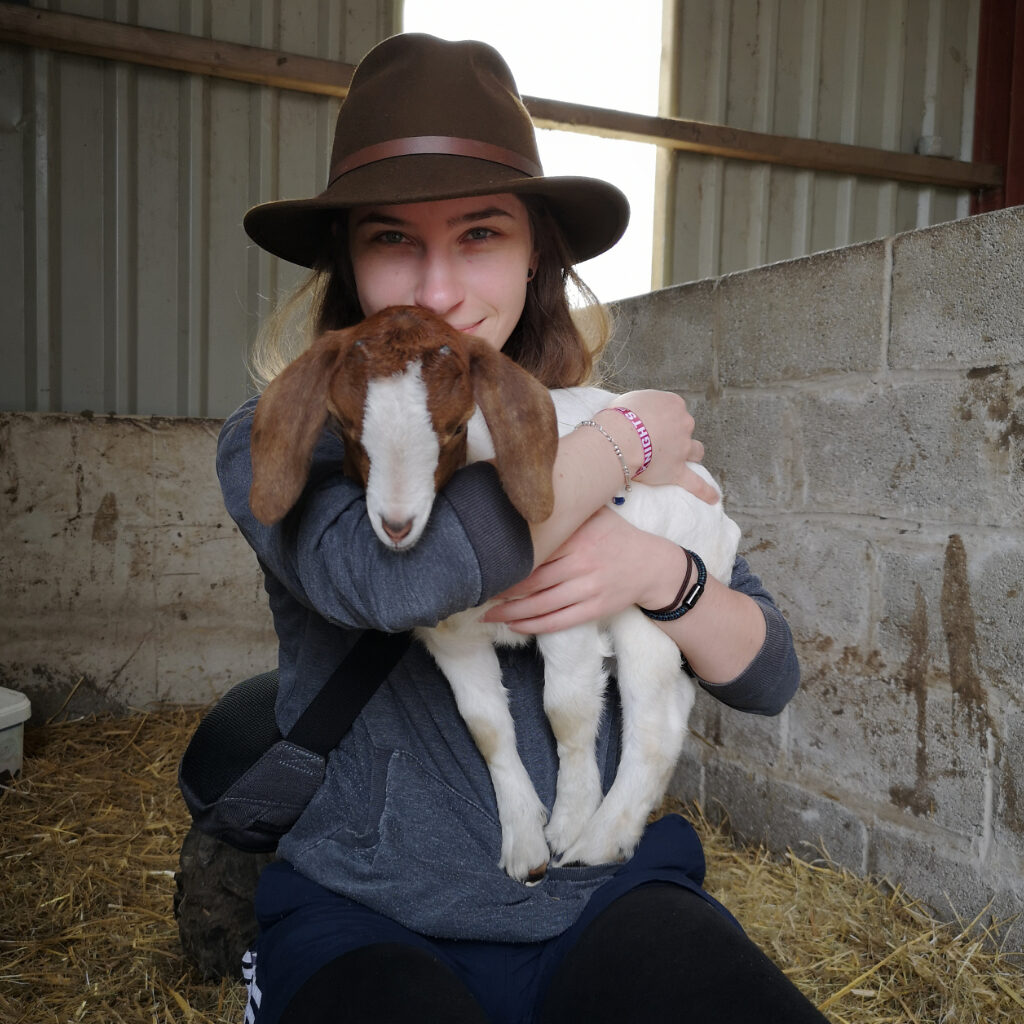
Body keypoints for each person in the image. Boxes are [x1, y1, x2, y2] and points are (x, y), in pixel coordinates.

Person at [219, 32, 829, 1024]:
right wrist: (624, 445)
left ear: (535, 245)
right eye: (390, 239)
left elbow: (764, 672)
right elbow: (398, 583)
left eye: (479, 234)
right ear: (347, 257)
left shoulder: (584, 418)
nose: (437, 288)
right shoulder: (287, 432)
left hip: (600, 898)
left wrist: (651, 568)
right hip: (369, 913)